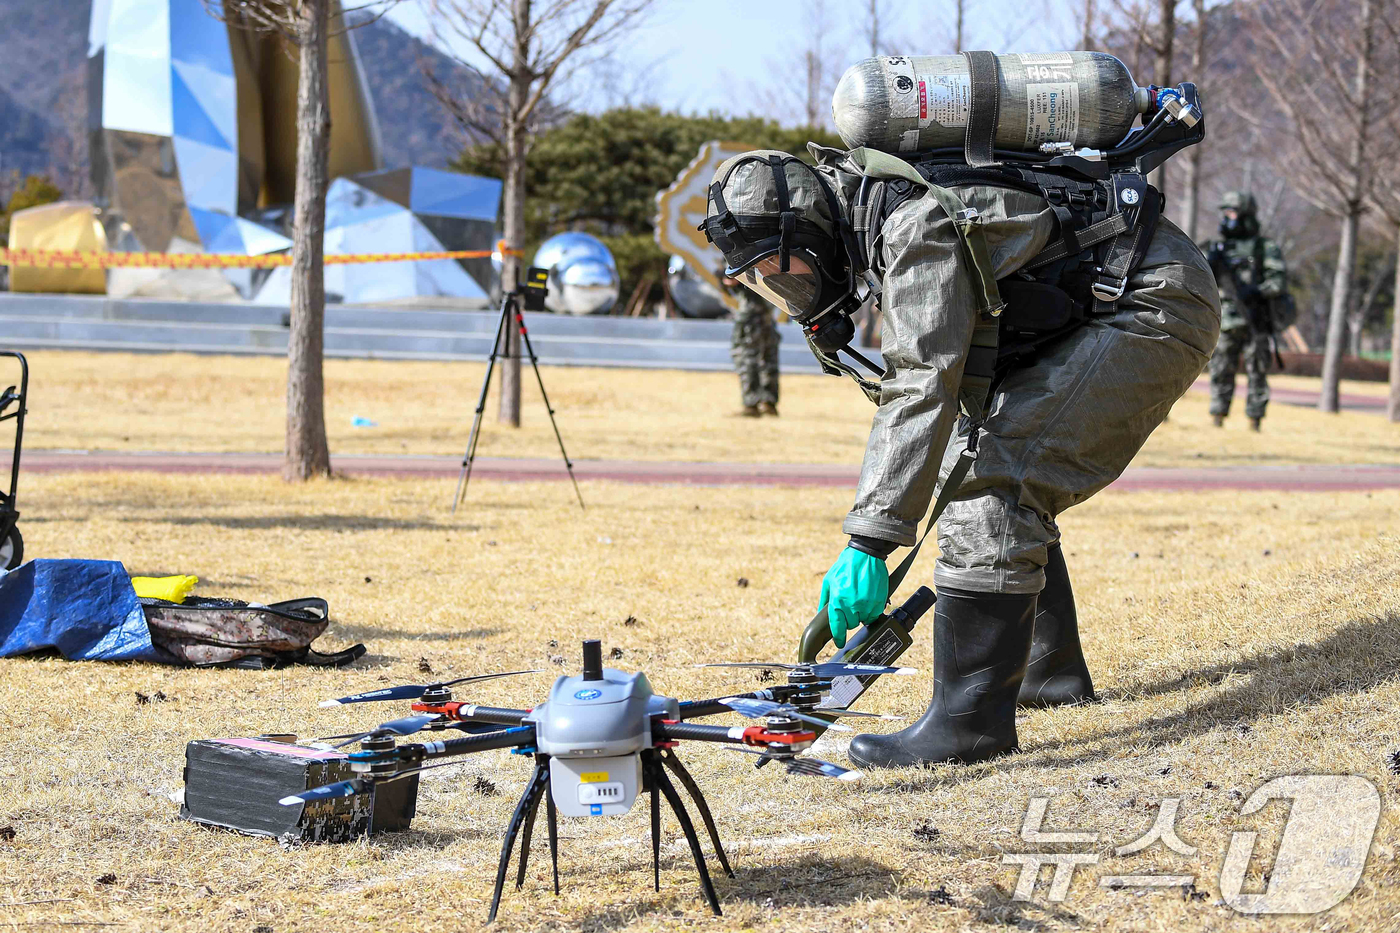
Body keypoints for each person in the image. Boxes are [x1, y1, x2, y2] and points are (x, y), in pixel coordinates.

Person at [702, 146, 1220, 769]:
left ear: (809, 236)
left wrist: (868, 543)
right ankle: (1044, 672)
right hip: (1112, 296)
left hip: (1150, 303)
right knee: (976, 464)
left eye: (781, 272)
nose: (785, 292)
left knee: (994, 480)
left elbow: (925, 380)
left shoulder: (914, 225)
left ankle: (969, 725)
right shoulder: (872, 214)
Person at [1204, 192, 1289, 431]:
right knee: (1220, 369)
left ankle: (1255, 420)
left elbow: (1278, 282)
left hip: (1256, 319)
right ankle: (1217, 417)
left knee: (1258, 372)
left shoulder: (1265, 247)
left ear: (1245, 215)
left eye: (1232, 212)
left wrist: (1256, 292)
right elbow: (1203, 279)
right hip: (1226, 319)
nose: (1227, 217)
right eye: (1225, 212)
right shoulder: (1217, 247)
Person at [722, 272, 781, 416]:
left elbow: (732, 280)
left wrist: (726, 280)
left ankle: (751, 404)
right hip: (766, 315)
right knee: (768, 359)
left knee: (747, 359)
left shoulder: (741, 256)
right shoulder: (768, 257)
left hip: (750, 318)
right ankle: (769, 402)